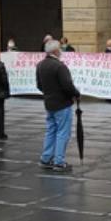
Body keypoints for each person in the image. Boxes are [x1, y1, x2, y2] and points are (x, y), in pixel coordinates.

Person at [35, 39, 79, 172]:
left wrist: (49, 93)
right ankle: (59, 161)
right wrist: (76, 94)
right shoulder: (60, 66)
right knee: (62, 133)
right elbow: (67, 85)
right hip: (62, 103)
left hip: (49, 102)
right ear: (55, 51)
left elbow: (39, 85)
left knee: (51, 131)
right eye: (59, 49)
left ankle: (46, 158)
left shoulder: (40, 65)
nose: (61, 51)